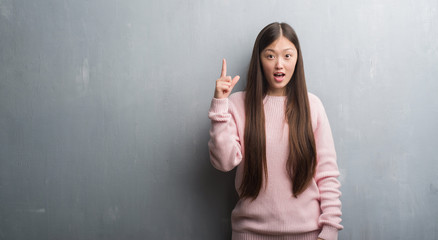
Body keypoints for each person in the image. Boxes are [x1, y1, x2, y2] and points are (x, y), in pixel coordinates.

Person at [208, 22, 343, 240]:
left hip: (308, 234)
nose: (279, 64)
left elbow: (327, 176)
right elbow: (223, 163)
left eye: (287, 56)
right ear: (259, 60)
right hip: (249, 234)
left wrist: (329, 232)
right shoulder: (237, 104)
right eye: (270, 56)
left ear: (297, 59)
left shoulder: (313, 106)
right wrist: (220, 105)